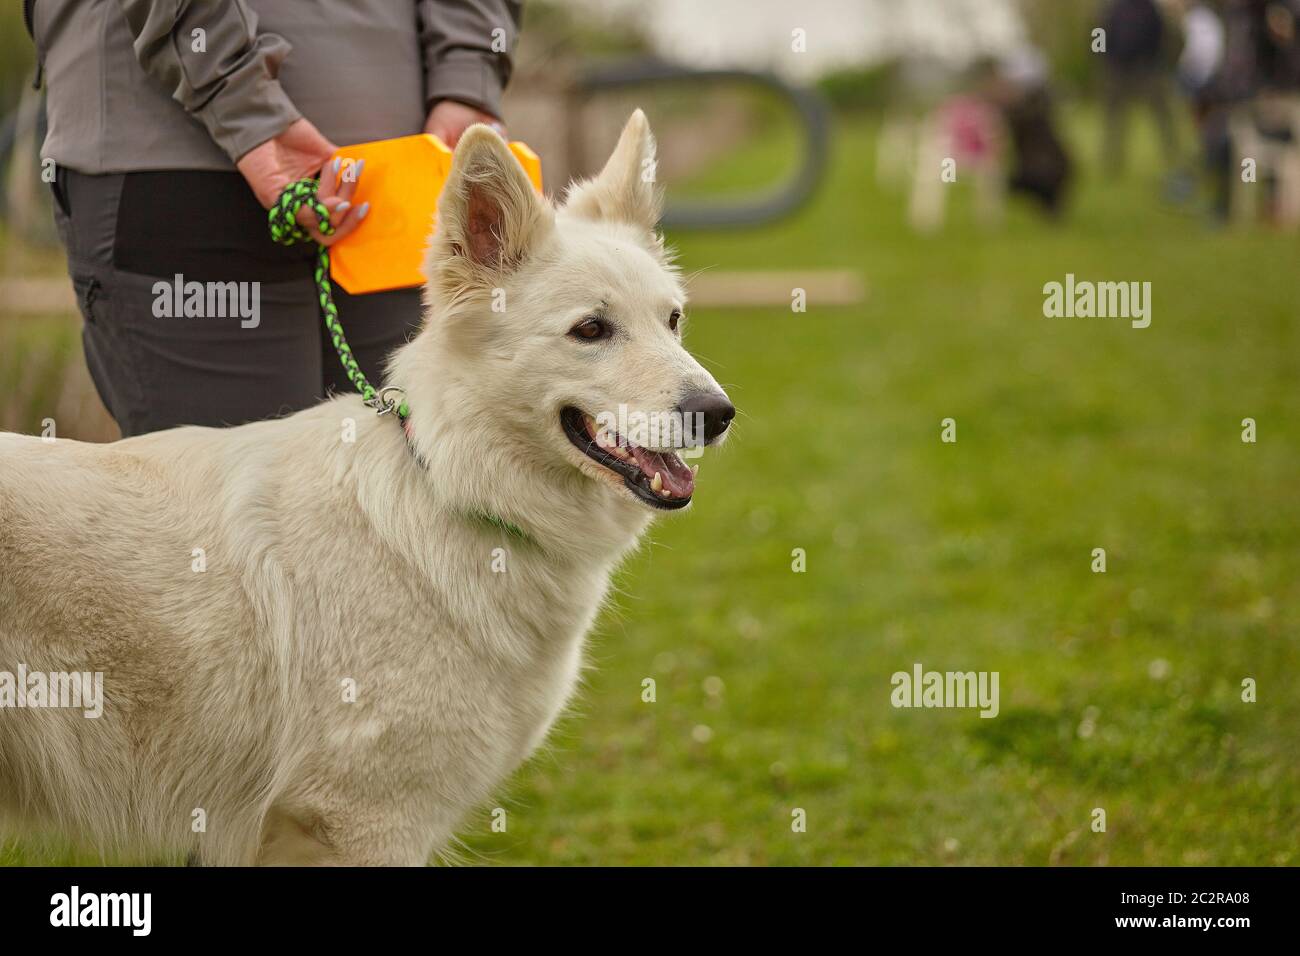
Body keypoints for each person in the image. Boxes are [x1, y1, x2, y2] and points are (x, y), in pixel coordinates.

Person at [27, 0, 522, 437]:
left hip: (390, 181)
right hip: (214, 167)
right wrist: (468, 77)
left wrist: (466, 81)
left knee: (363, 524)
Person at [1100, 0, 1180, 173]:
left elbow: (1162, 35)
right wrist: (1106, 59)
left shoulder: (1150, 8)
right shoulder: (1113, 8)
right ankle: (1111, 162)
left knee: (1163, 115)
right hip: (1119, 69)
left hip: (1147, 68)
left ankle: (1173, 156)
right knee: (1114, 119)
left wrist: (1156, 61)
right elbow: (1100, 33)